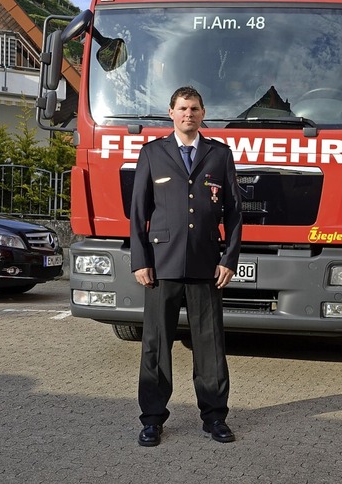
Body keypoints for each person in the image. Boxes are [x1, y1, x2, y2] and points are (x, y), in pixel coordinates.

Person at [130, 86, 243, 446]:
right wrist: (140, 261)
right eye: (182, 108)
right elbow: (137, 213)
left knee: (210, 346)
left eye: (194, 108)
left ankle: (214, 418)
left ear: (203, 112)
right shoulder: (152, 153)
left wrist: (229, 259)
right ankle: (151, 420)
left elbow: (235, 214)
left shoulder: (219, 155)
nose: (188, 114)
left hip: (205, 264)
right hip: (161, 265)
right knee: (156, 344)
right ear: (171, 113)